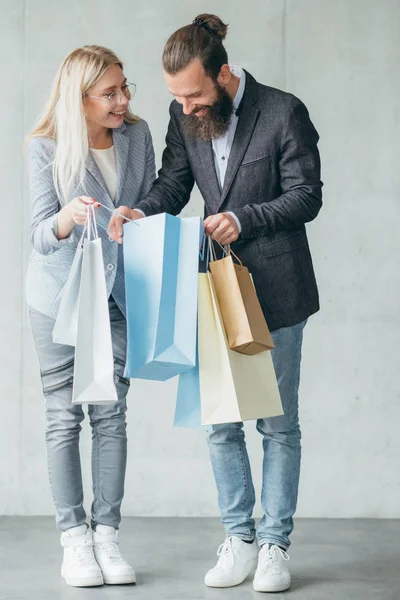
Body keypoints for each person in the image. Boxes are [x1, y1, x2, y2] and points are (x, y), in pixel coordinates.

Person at [109, 14, 322, 593]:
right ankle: (239, 538)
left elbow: (307, 196)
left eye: (196, 96)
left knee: (277, 425)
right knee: (220, 422)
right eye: (177, 98)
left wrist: (243, 218)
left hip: (277, 291)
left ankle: (275, 543)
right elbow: (174, 184)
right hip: (212, 284)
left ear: (225, 76)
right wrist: (141, 211)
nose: (186, 109)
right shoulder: (186, 116)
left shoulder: (283, 112)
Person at [26, 45, 155, 587]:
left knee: (111, 415)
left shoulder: (137, 136)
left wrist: (140, 212)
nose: (123, 100)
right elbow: (38, 235)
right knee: (63, 419)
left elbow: (153, 199)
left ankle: (107, 535)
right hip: (59, 300)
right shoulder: (45, 147)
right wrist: (66, 218)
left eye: (125, 88)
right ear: (79, 100)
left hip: (119, 295)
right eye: (110, 93)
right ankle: (74, 539)